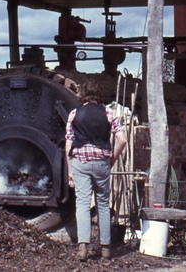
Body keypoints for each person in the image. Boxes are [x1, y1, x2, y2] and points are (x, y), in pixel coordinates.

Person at [65, 81, 127, 261]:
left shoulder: (74, 114)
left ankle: (82, 248)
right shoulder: (109, 113)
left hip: (81, 162)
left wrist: (70, 170)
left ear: (83, 94)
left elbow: (68, 143)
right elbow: (122, 140)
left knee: (82, 204)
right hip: (101, 162)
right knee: (102, 203)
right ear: (99, 95)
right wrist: (112, 158)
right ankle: (106, 248)